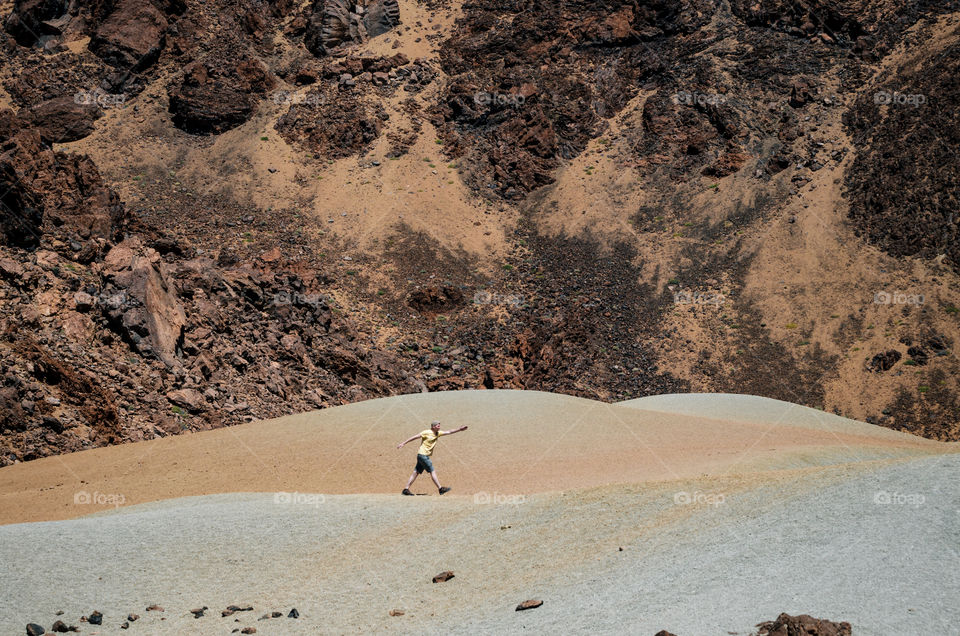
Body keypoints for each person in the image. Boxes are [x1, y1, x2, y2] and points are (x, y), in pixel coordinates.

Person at [396, 420, 468, 495]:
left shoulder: (438, 433)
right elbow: (414, 437)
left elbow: (449, 432)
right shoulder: (426, 432)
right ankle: (440, 488)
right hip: (423, 455)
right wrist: (403, 443)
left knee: (416, 472)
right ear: (433, 427)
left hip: (422, 455)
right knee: (432, 471)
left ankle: (406, 489)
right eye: (438, 426)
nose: (439, 427)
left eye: (439, 425)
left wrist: (459, 429)